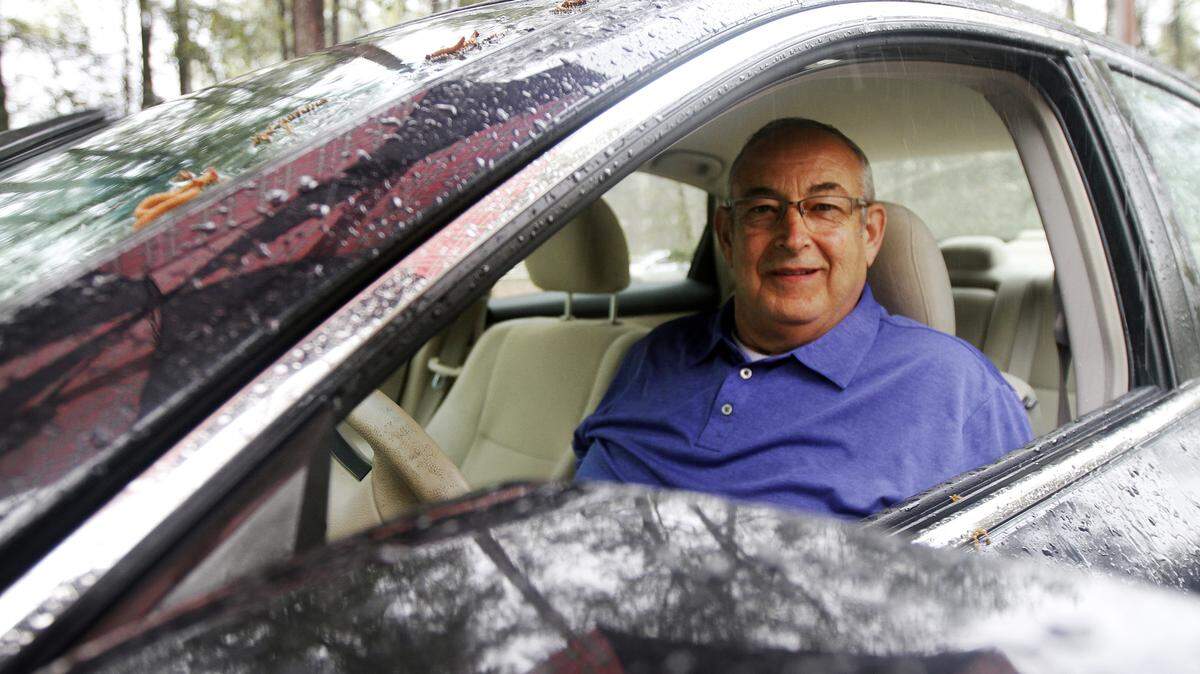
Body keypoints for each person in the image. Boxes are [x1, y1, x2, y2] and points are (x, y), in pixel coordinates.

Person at [572, 118, 1033, 518]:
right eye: (762, 211)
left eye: (825, 208)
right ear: (727, 237)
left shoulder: (956, 388)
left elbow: (1017, 566)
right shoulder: (653, 355)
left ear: (870, 234)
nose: (793, 237)